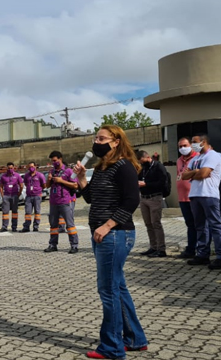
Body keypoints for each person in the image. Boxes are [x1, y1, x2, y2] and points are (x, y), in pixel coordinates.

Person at [75, 124, 148, 360]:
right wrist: (82, 179)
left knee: (108, 291)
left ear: (116, 141)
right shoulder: (101, 168)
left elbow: (131, 200)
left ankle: (112, 348)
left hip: (115, 235)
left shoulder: (124, 166)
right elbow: (91, 198)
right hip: (102, 235)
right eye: (95, 137)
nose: (97, 141)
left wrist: (108, 225)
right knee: (118, 288)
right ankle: (135, 339)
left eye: (102, 138)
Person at [182, 134, 221, 270]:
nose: (192, 145)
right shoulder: (196, 158)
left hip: (208, 194)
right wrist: (197, 171)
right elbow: (183, 176)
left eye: (194, 142)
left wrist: (195, 173)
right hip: (195, 194)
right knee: (200, 226)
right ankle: (202, 254)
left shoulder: (213, 155)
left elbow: (204, 174)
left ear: (203, 142)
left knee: (215, 225)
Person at [44, 151, 79, 254]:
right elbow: (47, 186)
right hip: (54, 202)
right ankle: (53, 244)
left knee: (70, 224)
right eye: (52, 161)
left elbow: (75, 185)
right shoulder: (52, 171)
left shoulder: (68, 171)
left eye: (55, 160)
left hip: (65, 201)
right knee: (53, 225)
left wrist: (61, 181)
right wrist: (49, 179)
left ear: (60, 159)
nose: (53, 162)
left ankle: (74, 245)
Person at [136, 150, 167, 257]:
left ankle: (161, 249)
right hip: (144, 198)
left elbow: (162, 182)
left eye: (141, 161)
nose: (141, 163)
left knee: (156, 223)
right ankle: (153, 247)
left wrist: (146, 184)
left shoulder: (158, 167)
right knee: (148, 224)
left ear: (147, 157)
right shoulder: (143, 168)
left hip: (155, 197)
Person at [175, 137, 199, 259]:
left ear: (190, 145)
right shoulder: (179, 160)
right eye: (180, 146)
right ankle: (191, 249)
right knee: (190, 224)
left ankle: (200, 249)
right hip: (182, 198)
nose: (183, 148)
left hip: (194, 196)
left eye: (185, 145)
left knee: (198, 224)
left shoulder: (197, 157)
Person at [0, 162, 24, 233]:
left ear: (14, 168)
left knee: (14, 212)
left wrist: (18, 194)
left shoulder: (17, 176)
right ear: (7, 168)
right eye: (9, 168)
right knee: (5, 212)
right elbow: (1, 186)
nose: (10, 169)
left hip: (14, 196)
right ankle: (4, 227)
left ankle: (14, 227)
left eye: (11, 168)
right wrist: (2, 195)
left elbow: (21, 185)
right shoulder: (3, 176)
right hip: (6, 196)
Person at [21, 163, 46, 233]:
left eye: (32, 166)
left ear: (35, 167)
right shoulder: (26, 176)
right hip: (29, 196)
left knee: (37, 212)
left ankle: (36, 226)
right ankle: (26, 226)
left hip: (37, 196)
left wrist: (38, 190)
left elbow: (44, 185)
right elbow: (26, 183)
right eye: (29, 167)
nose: (31, 168)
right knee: (28, 212)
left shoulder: (40, 175)